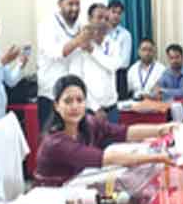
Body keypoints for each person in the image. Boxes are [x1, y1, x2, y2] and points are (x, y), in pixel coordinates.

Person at [35, 75, 175, 186]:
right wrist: (157, 158)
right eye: (68, 101)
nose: (75, 106)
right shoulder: (55, 142)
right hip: (54, 200)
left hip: (77, 189)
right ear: (56, 106)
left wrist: (163, 129)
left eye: (80, 100)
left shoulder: (89, 123)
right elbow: (107, 158)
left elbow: (125, 132)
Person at [37, 0, 94, 129]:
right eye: (70, 4)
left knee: (75, 139)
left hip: (74, 96)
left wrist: (88, 44)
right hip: (51, 96)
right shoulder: (47, 25)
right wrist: (79, 39)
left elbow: (85, 55)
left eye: (77, 4)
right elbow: (56, 53)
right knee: (51, 138)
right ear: (59, 4)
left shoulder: (80, 25)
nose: (75, 8)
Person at [79, 3, 120, 123]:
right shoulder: (79, 46)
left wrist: (92, 50)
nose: (103, 22)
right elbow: (79, 81)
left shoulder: (113, 43)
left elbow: (114, 66)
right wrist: (96, 108)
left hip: (112, 108)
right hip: (90, 110)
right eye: (99, 17)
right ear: (90, 19)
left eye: (106, 18)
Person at [156, 44, 183, 111]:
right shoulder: (166, 73)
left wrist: (163, 91)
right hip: (170, 110)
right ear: (168, 59)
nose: (174, 60)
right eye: (171, 58)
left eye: (177, 57)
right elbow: (157, 89)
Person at [105, 0, 133, 99]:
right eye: (113, 12)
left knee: (120, 105)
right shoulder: (100, 32)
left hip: (119, 76)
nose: (116, 15)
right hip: (102, 75)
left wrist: (106, 63)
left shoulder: (125, 34)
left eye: (119, 13)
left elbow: (125, 61)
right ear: (107, 12)